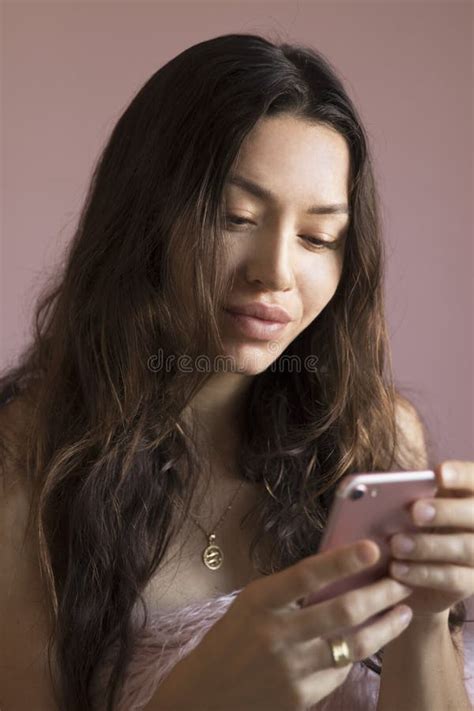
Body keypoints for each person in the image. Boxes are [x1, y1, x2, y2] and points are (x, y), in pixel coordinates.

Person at [0, 32, 472, 711]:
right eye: (236, 216)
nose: (275, 271)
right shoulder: (25, 463)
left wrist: (427, 618)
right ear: (146, 217)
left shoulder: (375, 435)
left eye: (318, 238)